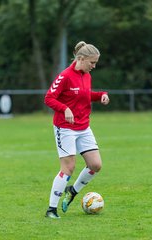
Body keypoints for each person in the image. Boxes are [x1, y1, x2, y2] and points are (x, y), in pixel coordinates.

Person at [44, 41, 110, 218]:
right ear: (81, 58)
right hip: (65, 128)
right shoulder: (65, 76)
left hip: (83, 126)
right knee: (68, 168)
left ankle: (72, 191)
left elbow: (84, 95)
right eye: (92, 62)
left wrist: (100, 95)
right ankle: (51, 209)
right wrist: (64, 109)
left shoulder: (87, 75)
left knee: (96, 165)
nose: (94, 66)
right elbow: (49, 98)